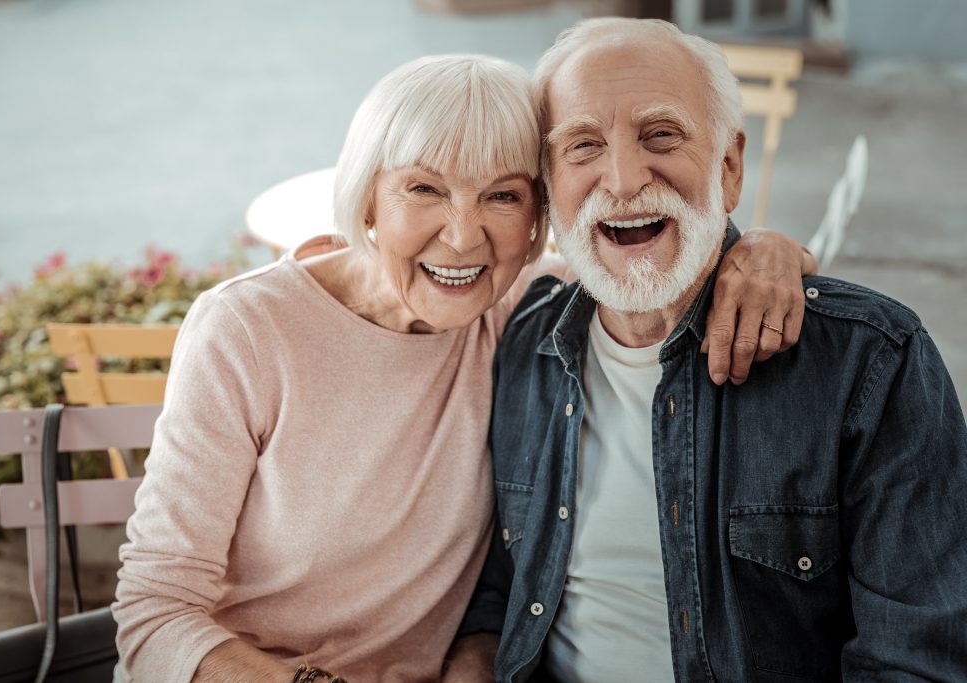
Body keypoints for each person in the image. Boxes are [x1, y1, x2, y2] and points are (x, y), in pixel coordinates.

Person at [112, 53, 814, 682]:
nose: (461, 235)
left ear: (540, 215)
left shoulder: (520, 308)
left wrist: (763, 250)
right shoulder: (247, 329)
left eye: (502, 196)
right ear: (367, 199)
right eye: (423, 190)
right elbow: (155, 607)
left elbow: (656, 261)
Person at [457, 17, 967, 682]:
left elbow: (920, 657)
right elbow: (501, 583)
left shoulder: (868, 364)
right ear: (550, 191)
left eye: (660, 135)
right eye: (583, 146)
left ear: (729, 168)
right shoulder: (524, 342)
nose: (622, 177)